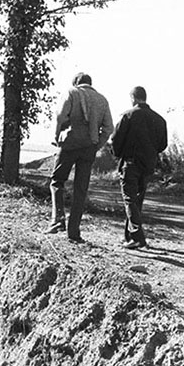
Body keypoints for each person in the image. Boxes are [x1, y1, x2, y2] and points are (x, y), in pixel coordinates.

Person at [47, 72, 114, 243]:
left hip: (69, 144)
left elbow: (60, 116)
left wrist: (57, 136)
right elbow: (108, 128)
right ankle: (74, 232)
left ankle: (58, 220)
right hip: (89, 148)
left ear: (76, 82)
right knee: (81, 188)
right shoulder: (102, 100)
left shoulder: (71, 92)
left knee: (57, 181)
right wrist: (97, 145)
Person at [111, 86, 168, 250]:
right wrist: (150, 153)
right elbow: (162, 144)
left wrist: (119, 154)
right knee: (137, 200)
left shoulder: (128, 116)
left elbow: (116, 140)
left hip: (131, 162)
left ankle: (137, 237)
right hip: (148, 164)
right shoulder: (159, 119)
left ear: (133, 98)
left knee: (129, 199)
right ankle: (130, 236)